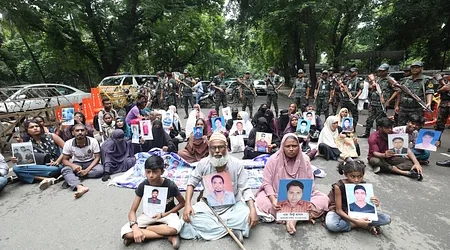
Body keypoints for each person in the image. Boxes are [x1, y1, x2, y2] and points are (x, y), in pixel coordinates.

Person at [180, 132, 258, 242]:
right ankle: (232, 230)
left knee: (247, 214)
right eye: (213, 148)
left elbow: (245, 188)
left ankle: (211, 230)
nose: (217, 151)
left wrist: (252, 209)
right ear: (209, 148)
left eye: (220, 147)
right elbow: (191, 183)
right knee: (187, 218)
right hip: (209, 207)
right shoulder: (203, 163)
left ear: (226, 148)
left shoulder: (237, 164)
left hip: (232, 206)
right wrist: (187, 204)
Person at [255, 134, 329, 234]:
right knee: (262, 201)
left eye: (294, 146)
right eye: (287, 146)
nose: (291, 149)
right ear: (282, 146)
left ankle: (292, 218)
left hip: (300, 197)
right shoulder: (273, 160)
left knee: (323, 199)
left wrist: (305, 202)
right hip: (277, 196)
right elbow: (266, 182)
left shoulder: (304, 160)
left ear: (298, 146)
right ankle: (301, 215)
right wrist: (273, 200)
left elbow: (310, 183)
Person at [121, 155, 185, 248]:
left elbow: (182, 203)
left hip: (167, 214)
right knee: (125, 232)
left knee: (175, 228)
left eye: (155, 172)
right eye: (148, 172)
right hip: (148, 214)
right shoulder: (143, 185)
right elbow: (132, 211)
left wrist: (164, 214)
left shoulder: (170, 185)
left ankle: (145, 231)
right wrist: (135, 228)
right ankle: (166, 235)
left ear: (162, 172)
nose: (151, 175)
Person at [325, 159, 390, 235]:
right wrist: (356, 222)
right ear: (346, 175)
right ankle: (362, 226)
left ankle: (359, 223)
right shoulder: (339, 186)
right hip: (339, 211)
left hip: (357, 212)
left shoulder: (363, 185)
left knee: (386, 219)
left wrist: (375, 203)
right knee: (332, 225)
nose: (356, 180)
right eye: (352, 176)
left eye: (360, 176)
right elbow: (339, 210)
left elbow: (367, 203)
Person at [12, 119, 65, 190]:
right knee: (16, 168)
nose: (35, 128)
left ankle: (37, 177)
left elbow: (67, 149)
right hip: (39, 166)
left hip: (55, 166)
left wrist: (58, 161)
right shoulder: (27, 143)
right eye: (31, 127)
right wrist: (17, 160)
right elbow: (26, 161)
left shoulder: (51, 136)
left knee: (21, 174)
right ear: (27, 131)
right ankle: (45, 178)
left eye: (37, 126)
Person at [61, 123, 104, 199]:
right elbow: (64, 160)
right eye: (77, 131)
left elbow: (97, 158)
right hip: (76, 164)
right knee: (65, 169)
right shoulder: (68, 143)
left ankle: (73, 178)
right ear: (73, 133)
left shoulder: (93, 141)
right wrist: (73, 166)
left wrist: (87, 170)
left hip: (90, 162)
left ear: (86, 132)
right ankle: (79, 187)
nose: (80, 132)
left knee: (100, 170)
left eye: (82, 130)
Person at [359, 64, 394, 138]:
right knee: (369, 119)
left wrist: (389, 101)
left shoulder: (390, 80)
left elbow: (397, 91)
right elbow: (372, 89)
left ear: (387, 71)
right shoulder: (377, 79)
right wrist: (372, 86)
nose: (380, 72)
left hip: (381, 104)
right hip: (373, 102)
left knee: (380, 121)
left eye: (382, 71)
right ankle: (366, 133)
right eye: (379, 71)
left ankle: (379, 135)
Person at [395, 61, 434, 126]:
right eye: (413, 67)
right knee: (401, 128)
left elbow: (429, 92)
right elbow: (399, 92)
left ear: (422, 69)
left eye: (417, 67)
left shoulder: (426, 80)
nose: (414, 69)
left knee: (415, 127)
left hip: (416, 108)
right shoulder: (405, 80)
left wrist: (429, 103)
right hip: (403, 108)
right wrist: (396, 105)